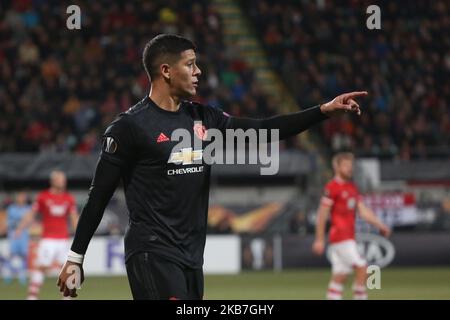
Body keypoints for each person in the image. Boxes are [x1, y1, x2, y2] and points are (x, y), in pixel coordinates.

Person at [57, 34, 367, 300]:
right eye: (190, 64)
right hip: (152, 252)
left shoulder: (204, 118)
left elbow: (263, 130)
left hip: (192, 256)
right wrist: (75, 258)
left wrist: (323, 111)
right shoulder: (129, 127)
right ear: (165, 70)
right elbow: (98, 195)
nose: (198, 71)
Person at [312, 152, 391, 300]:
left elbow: (363, 211)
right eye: (346, 165)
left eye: (351, 165)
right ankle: (360, 296)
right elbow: (322, 214)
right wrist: (319, 239)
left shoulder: (352, 187)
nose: (349, 168)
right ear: (337, 167)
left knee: (340, 277)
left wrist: (381, 225)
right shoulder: (332, 188)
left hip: (348, 236)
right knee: (362, 267)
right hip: (340, 236)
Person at [16, 170, 79, 299]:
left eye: (64, 179)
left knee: (68, 270)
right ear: (53, 181)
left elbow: (74, 219)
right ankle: (32, 297)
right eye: (60, 179)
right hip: (48, 240)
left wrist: (80, 237)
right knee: (41, 267)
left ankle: (66, 297)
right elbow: (31, 215)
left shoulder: (68, 198)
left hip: (63, 240)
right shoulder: (43, 197)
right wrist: (20, 228)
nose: (63, 181)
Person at [2, 191, 31, 285]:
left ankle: (22, 276)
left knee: (24, 255)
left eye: (23, 197)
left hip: (24, 234)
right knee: (12, 255)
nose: (22, 199)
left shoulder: (28, 209)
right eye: (20, 197)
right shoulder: (11, 208)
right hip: (13, 233)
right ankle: (8, 276)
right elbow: (7, 221)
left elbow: (30, 221)